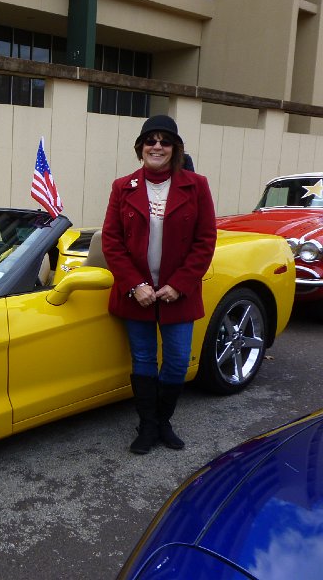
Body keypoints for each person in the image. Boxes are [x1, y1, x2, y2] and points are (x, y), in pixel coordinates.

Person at [101, 115, 216, 455]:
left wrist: (180, 284)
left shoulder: (197, 185)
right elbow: (112, 241)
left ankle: (164, 420)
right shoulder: (123, 187)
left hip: (177, 294)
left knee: (179, 360)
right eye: (150, 140)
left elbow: (205, 240)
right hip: (137, 295)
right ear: (141, 148)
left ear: (175, 149)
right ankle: (147, 425)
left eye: (165, 141)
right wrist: (135, 284)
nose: (157, 146)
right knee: (143, 359)